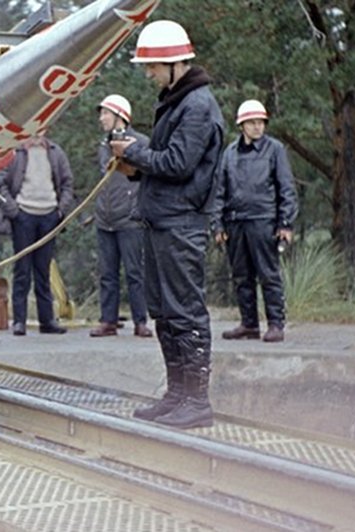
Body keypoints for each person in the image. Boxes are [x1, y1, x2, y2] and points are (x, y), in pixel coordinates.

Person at [110, 20, 225, 429]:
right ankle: (177, 395)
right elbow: (167, 164)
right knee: (163, 311)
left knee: (186, 312)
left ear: (175, 64)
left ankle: (197, 401)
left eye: (152, 67)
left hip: (181, 224)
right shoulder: (177, 101)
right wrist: (135, 167)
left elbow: (178, 164)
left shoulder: (197, 107)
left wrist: (136, 151)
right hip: (162, 219)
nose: (148, 74)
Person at [213, 99, 299, 343]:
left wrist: (285, 224)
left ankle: (275, 324)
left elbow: (287, 188)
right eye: (252, 122)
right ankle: (249, 324)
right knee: (241, 276)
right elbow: (219, 191)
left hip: (264, 221)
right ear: (241, 125)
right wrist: (217, 224)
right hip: (235, 222)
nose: (257, 127)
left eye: (261, 122)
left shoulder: (275, 149)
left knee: (269, 275)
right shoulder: (229, 153)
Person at [0, 133, 74, 336]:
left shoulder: (55, 152)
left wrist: (60, 210)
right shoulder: (16, 151)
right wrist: (13, 210)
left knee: (43, 269)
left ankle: (47, 320)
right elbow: (0, 182)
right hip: (23, 216)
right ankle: (19, 321)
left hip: (48, 216)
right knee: (22, 270)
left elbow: (67, 183)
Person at [90, 94, 153, 339]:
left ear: (120, 116)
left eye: (105, 113)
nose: (101, 118)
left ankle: (140, 321)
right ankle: (108, 320)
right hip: (105, 218)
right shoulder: (103, 144)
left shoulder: (141, 142)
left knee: (135, 272)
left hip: (130, 218)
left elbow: (142, 175)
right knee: (107, 273)